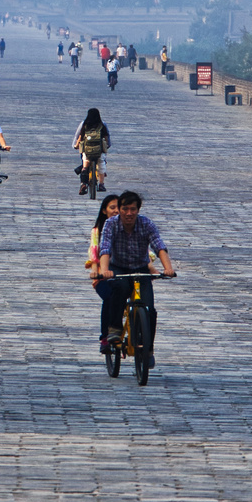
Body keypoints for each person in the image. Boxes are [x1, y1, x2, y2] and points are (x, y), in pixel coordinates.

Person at [94, 191, 176, 357]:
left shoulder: (146, 224)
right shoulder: (111, 224)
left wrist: (168, 268)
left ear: (138, 210)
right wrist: (104, 271)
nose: (128, 213)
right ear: (120, 209)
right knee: (120, 288)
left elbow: (159, 246)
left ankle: (148, 349)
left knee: (150, 309)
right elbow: (105, 248)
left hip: (140, 269)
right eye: (125, 209)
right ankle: (115, 328)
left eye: (133, 209)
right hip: (118, 267)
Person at [73, 108, 110, 194]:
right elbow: (106, 138)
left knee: (85, 166)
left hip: (87, 150)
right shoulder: (102, 125)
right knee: (101, 165)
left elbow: (80, 137)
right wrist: (106, 146)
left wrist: (76, 146)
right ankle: (101, 184)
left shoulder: (85, 125)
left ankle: (83, 184)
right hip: (99, 150)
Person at [85, 194, 120, 276]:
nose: (116, 211)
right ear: (104, 211)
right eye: (112, 208)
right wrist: (95, 270)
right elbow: (94, 250)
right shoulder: (97, 231)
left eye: (119, 208)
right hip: (104, 269)